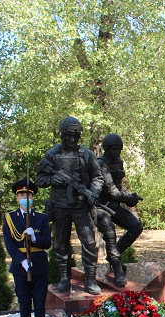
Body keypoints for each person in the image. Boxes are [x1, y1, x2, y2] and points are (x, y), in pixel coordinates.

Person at [36, 116, 103, 295]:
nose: (72, 140)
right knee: (60, 244)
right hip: (60, 207)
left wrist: (94, 192)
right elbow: (39, 178)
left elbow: (97, 177)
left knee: (89, 242)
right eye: (68, 136)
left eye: (75, 136)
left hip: (81, 206)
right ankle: (64, 278)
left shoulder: (87, 155)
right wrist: (53, 179)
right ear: (62, 135)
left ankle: (90, 280)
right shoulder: (53, 154)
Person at [2, 179, 52, 317]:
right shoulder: (9, 218)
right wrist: (21, 261)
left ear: (33, 198)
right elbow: (9, 243)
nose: (26, 197)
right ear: (17, 198)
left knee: (39, 305)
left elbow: (47, 242)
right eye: (22, 195)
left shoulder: (41, 218)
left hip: (39, 266)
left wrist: (35, 239)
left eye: (29, 195)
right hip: (20, 267)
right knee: (24, 304)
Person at [94, 134, 143, 287]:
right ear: (106, 149)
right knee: (110, 234)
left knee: (136, 226)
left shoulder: (119, 163)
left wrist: (129, 197)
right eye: (113, 149)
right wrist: (128, 199)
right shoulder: (100, 164)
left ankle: (114, 255)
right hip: (100, 207)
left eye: (119, 149)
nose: (116, 152)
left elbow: (118, 189)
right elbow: (111, 191)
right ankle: (117, 270)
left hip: (114, 205)